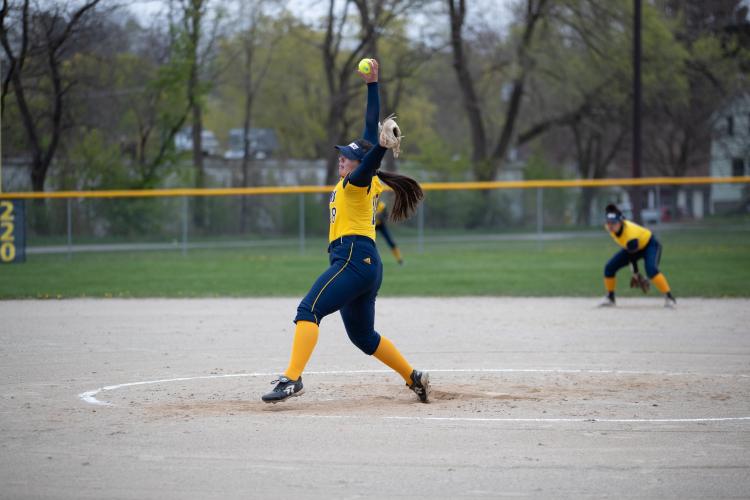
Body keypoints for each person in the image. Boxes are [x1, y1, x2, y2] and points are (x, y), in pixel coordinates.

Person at [262, 58, 430, 404]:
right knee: (364, 337)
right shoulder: (359, 178)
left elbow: (369, 156)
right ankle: (414, 377)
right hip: (366, 263)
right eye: (341, 155)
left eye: (347, 157)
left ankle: (292, 378)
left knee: (308, 311)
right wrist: (373, 84)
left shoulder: (357, 182)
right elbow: (370, 132)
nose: (342, 159)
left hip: (352, 258)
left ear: (359, 165)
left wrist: (381, 148)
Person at [599, 204, 677, 308]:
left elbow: (632, 256)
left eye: (613, 223)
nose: (610, 226)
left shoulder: (630, 234)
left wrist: (635, 273)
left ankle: (669, 297)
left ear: (621, 222)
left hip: (650, 245)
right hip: (631, 247)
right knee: (609, 268)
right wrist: (635, 273)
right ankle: (610, 298)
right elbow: (631, 253)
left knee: (651, 270)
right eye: (608, 223)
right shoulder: (610, 228)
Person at [375, 200, 404, 265]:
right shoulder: (370, 205)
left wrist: (380, 217)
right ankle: (372, 260)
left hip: (381, 225)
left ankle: (399, 259)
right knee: (371, 243)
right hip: (373, 226)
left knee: (391, 241)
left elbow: (386, 217)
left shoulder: (382, 206)